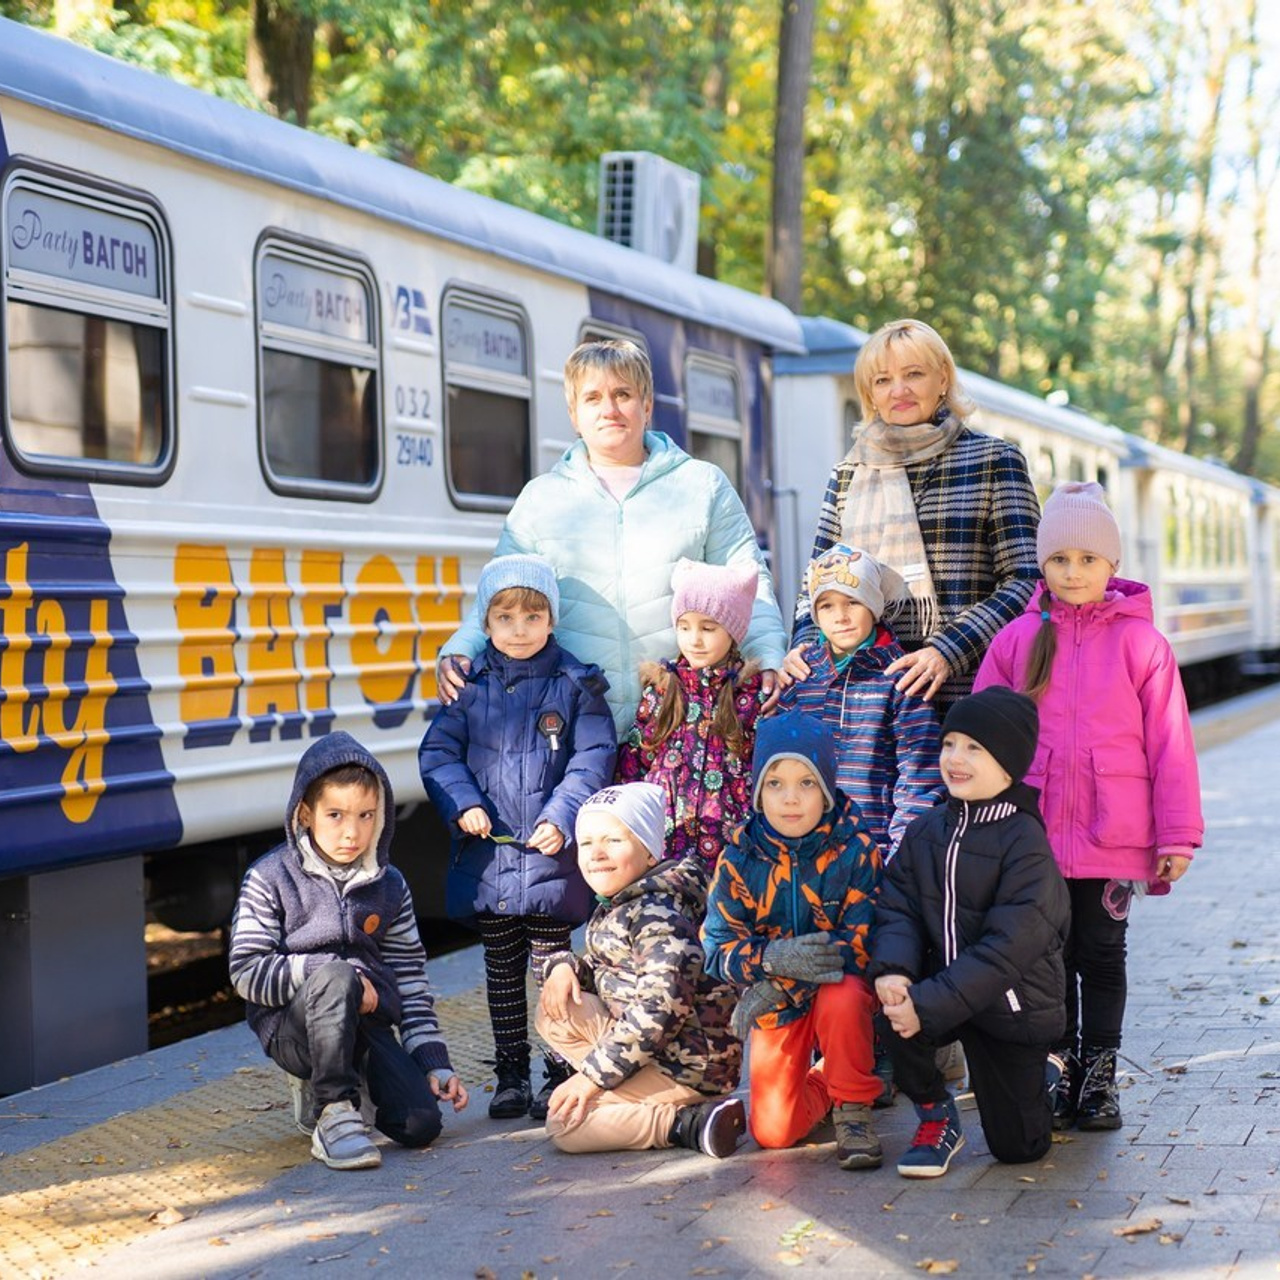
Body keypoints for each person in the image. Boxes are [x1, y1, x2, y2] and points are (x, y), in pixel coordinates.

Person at [973, 481, 1203, 1131]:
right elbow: (984, 736)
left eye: (1087, 559)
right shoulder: (1016, 641)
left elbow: (1171, 745)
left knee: (1101, 954)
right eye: (1059, 559)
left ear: (1112, 564)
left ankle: (1100, 1077)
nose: (1073, 572)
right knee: (1046, 956)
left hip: (1114, 836)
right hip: (1033, 835)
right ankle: (1060, 1068)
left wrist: (1177, 835)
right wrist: (982, 823)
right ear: (1041, 564)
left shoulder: (1143, 646)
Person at [435, 338, 788, 735]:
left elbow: (747, 580)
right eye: (593, 398)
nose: (609, 410)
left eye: (623, 394)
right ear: (574, 413)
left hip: (681, 723)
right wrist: (461, 648)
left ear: (647, 405)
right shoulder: (541, 499)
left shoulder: (702, 486)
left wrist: (766, 654)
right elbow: (498, 593)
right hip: (575, 725)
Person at [418, 553, 617, 1122]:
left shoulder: (576, 684)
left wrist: (563, 814)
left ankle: (560, 1068)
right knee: (501, 969)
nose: (520, 629)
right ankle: (510, 1074)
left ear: (552, 620)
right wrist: (465, 805)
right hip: (492, 856)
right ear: (486, 624)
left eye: (533, 616)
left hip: (551, 855)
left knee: (554, 969)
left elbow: (593, 756)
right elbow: (438, 753)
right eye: (505, 618)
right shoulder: (470, 687)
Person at [229, 732, 467, 1171]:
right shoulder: (270, 876)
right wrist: (339, 974)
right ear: (305, 813)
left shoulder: (390, 884)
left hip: (364, 1024)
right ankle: (333, 1110)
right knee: (337, 977)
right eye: (335, 815)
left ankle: (353, 1080)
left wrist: (434, 1063)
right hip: (293, 1030)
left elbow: (410, 979)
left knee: (420, 1124)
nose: (352, 832)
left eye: (366, 815)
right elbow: (246, 972)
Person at [784, 318, 1040, 714]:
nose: (898, 390)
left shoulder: (994, 460)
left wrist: (947, 651)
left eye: (914, 374)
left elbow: (1026, 580)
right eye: (883, 380)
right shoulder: (848, 473)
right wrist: (802, 645)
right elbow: (815, 583)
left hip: (965, 694)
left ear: (943, 379)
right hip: (865, 703)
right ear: (870, 392)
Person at [870, 688, 1070, 1178]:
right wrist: (894, 972)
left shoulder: (1026, 845)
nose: (955, 758)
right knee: (891, 1012)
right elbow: (897, 908)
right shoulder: (925, 831)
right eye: (949, 744)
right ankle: (936, 1117)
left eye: (974, 748)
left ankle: (1044, 1073)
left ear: (1009, 765)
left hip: (1011, 1008)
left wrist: (926, 1003)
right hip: (945, 993)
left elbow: (1005, 952)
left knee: (1018, 1148)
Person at [702, 711, 884, 1170]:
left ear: (827, 789)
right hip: (779, 996)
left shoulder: (857, 849)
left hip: (835, 986)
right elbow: (717, 947)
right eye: (775, 783)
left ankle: (853, 1108)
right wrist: (772, 958)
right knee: (774, 1133)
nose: (790, 798)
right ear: (757, 792)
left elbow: (861, 943)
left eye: (806, 783)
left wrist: (781, 981)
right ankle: (830, 1078)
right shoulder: (739, 858)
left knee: (843, 997)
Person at [534, 783, 746, 1158]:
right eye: (586, 843)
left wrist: (591, 1078)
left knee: (566, 1125)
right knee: (556, 1008)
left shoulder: (657, 913)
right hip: (660, 1050)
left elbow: (659, 1009)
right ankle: (626, 1089)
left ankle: (688, 1123)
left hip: (691, 1065)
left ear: (649, 852)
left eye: (613, 840)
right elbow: (607, 972)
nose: (596, 854)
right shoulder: (623, 902)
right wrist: (563, 966)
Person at [779, 543, 944, 859]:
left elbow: (919, 779)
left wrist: (899, 859)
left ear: (873, 605)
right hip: (803, 855)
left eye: (852, 602)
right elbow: (776, 768)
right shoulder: (801, 676)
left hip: (873, 854)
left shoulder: (899, 678)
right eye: (826, 606)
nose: (840, 617)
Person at [616, 558, 766, 871]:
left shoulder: (750, 695)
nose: (694, 639)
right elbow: (634, 763)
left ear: (733, 631)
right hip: (664, 849)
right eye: (684, 627)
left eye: (708, 628)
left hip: (732, 853)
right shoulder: (662, 689)